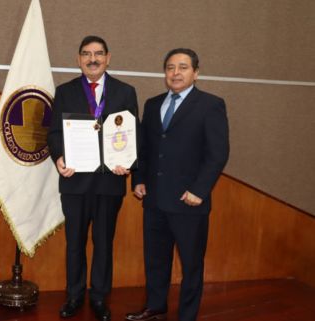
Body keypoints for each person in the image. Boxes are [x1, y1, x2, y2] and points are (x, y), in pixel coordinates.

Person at [126, 48, 229, 321]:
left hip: (189, 201)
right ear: (165, 73)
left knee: (191, 265)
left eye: (183, 67)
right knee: (156, 260)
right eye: (170, 67)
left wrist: (199, 190)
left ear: (196, 72)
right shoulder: (152, 104)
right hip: (155, 200)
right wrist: (139, 180)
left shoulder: (211, 104)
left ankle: (187, 315)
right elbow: (145, 149)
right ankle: (156, 307)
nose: (175, 73)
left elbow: (217, 154)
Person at [47, 35, 139, 321]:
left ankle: (99, 297)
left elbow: (132, 135)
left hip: (110, 181)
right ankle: (74, 295)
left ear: (108, 58)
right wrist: (59, 158)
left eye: (98, 53)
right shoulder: (65, 91)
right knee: (74, 242)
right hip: (75, 181)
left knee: (103, 242)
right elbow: (54, 134)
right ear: (78, 59)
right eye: (86, 54)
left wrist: (128, 163)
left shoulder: (126, 91)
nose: (93, 59)